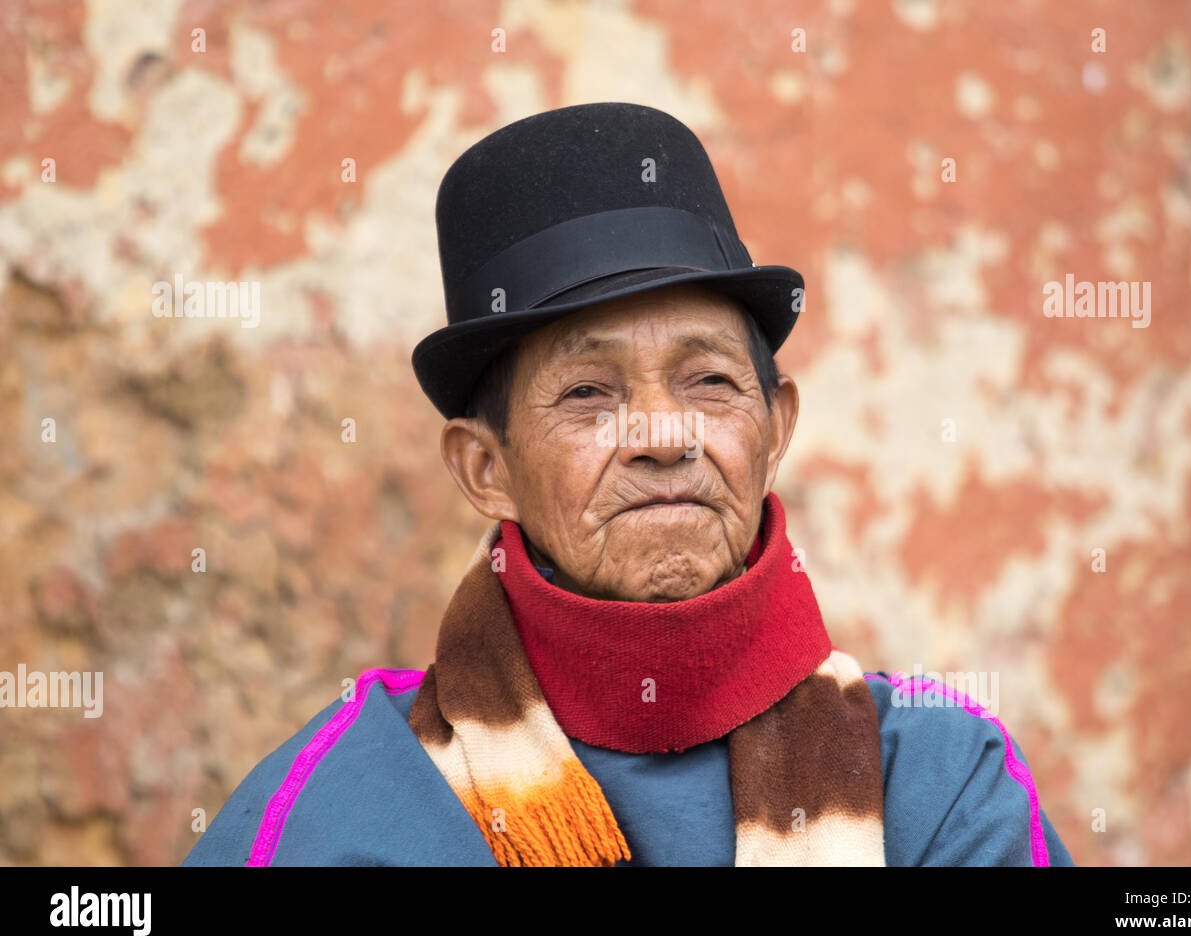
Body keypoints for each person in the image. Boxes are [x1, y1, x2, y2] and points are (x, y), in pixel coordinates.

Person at [183, 102, 1072, 866]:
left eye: (710, 381)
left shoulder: (937, 783)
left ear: (777, 429)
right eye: (586, 393)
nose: (661, 435)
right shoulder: (352, 803)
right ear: (485, 468)